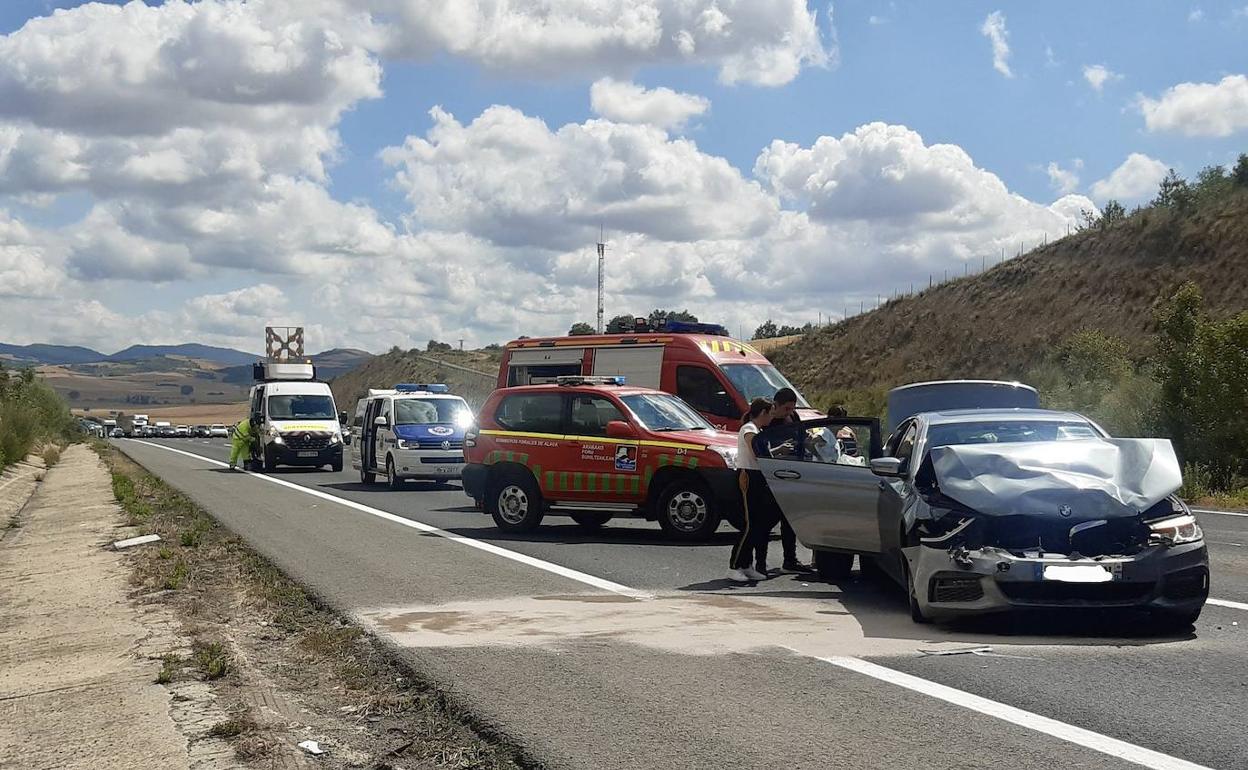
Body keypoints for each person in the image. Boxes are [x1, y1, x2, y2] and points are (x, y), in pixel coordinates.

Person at [728, 398, 782, 583]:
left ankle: (746, 565)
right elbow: (755, 453)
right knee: (749, 524)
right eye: (771, 414)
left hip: (758, 477)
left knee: (758, 523)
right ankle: (735, 566)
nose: (772, 418)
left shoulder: (758, 430)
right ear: (763, 413)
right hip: (748, 476)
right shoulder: (749, 430)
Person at [769, 388, 816, 574]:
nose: (789, 412)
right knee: (767, 520)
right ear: (776, 405)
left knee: (789, 520)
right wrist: (780, 449)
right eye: (786, 408)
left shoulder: (793, 416)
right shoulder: (769, 421)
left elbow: (800, 435)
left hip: (794, 471)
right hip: (774, 473)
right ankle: (758, 562)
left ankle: (790, 559)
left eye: (792, 408)